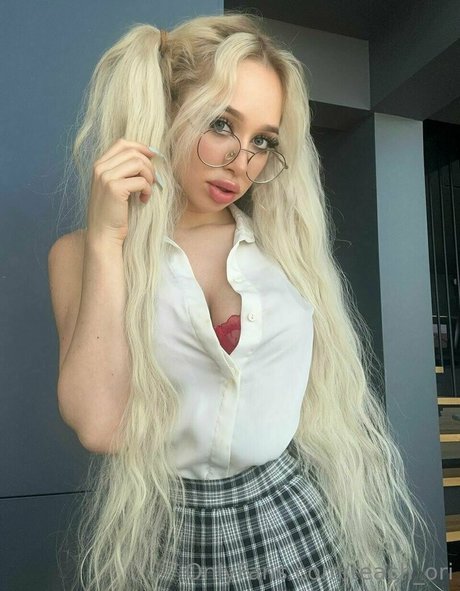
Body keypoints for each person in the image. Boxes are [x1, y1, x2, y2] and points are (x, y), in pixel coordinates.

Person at [48, 11, 438, 591]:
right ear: (167, 111)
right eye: (221, 124)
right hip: (167, 534)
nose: (241, 161)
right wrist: (109, 240)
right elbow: (101, 427)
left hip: (292, 516)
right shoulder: (81, 254)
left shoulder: (286, 252)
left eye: (262, 141)